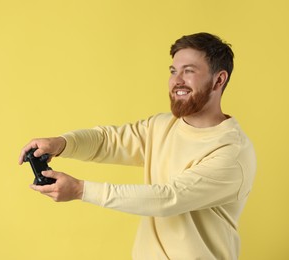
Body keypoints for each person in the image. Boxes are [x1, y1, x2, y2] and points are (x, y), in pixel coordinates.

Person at [18, 32, 256, 260]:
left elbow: (168, 198)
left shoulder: (232, 152)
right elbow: (108, 141)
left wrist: (81, 190)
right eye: (173, 71)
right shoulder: (162, 126)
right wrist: (62, 143)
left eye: (189, 71)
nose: (177, 81)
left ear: (219, 80)